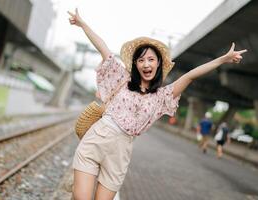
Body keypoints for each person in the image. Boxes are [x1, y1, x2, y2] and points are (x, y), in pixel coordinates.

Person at [67, 8, 247, 200]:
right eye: (141, 60)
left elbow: (191, 75)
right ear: (136, 65)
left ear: (158, 64)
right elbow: (103, 48)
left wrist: (223, 59)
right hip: (98, 138)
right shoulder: (122, 78)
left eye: (151, 59)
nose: (146, 64)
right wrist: (82, 23)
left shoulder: (163, 96)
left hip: (121, 152)